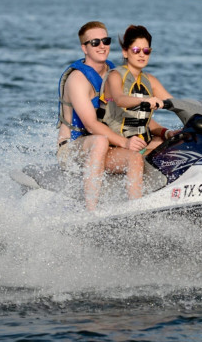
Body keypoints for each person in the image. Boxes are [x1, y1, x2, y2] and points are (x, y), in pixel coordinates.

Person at [56, 21, 146, 210]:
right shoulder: (78, 80)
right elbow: (90, 125)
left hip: (106, 143)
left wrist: (162, 131)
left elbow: (130, 109)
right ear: (84, 48)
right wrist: (124, 142)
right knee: (100, 141)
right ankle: (91, 211)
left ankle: (137, 212)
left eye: (105, 40)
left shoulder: (114, 73)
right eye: (95, 42)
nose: (102, 46)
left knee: (137, 155)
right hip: (74, 148)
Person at [101, 25, 202, 153]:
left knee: (179, 143)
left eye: (146, 51)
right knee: (136, 158)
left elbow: (177, 103)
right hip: (116, 144)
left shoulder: (150, 80)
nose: (142, 55)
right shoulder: (115, 75)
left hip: (142, 143)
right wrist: (145, 101)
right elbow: (120, 99)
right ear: (125, 52)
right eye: (136, 50)